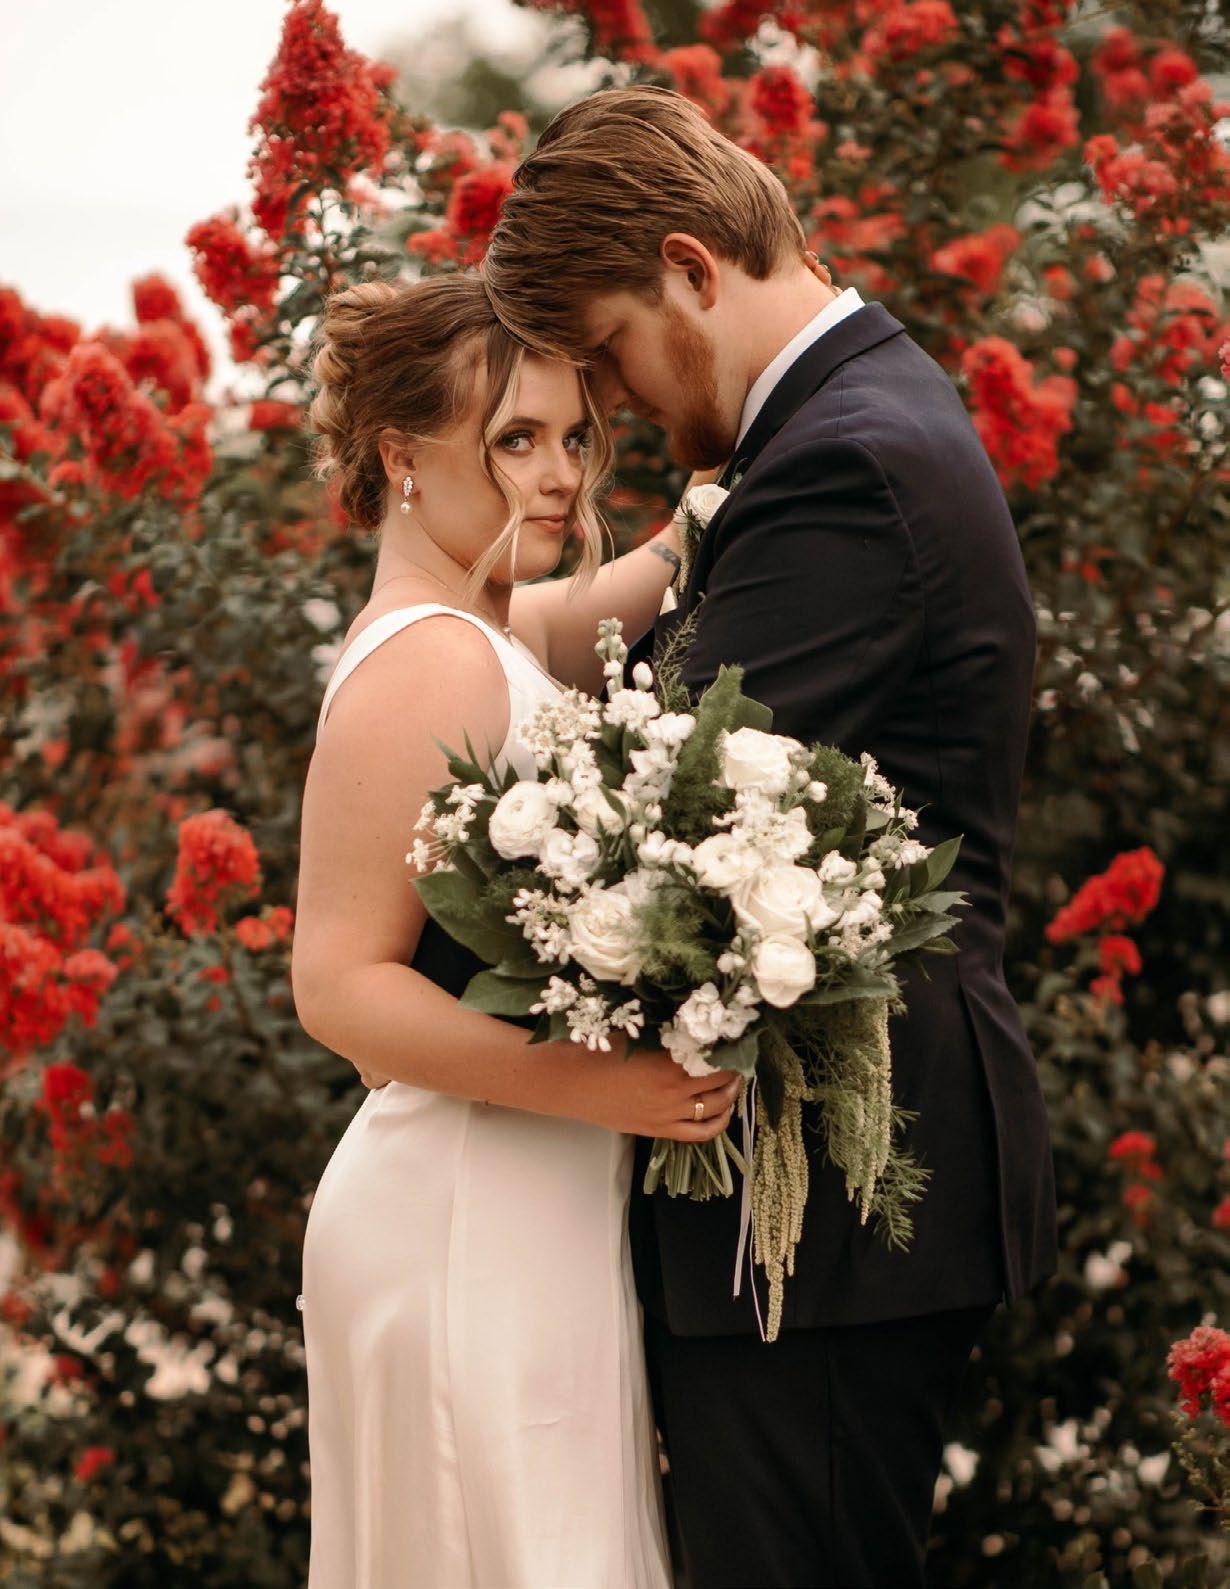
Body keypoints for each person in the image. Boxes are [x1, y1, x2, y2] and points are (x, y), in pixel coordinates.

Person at [483, 85, 1059, 1589]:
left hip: (836, 1205)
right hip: (823, 1215)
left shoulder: (842, 464)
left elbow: (655, 813)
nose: (619, 401)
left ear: (688, 269)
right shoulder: (844, 422)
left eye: (611, 348)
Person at [291, 272, 740, 1588]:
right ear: (403, 457)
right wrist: (607, 1085)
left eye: (573, 436)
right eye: (514, 440)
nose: (559, 476)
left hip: (526, 1206)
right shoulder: (429, 659)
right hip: (461, 1218)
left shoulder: (489, 632)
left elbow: (625, 588)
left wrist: (741, 474)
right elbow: (337, 986)